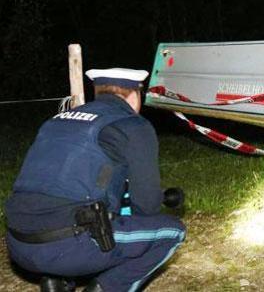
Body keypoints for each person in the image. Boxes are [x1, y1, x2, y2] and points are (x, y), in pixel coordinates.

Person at [4, 68, 186, 292]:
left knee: (78, 213)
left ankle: (57, 282)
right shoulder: (132, 125)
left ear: (97, 92)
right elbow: (146, 205)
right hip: (67, 246)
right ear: (134, 95)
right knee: (173, 231)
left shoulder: (55, 121)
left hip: (19, 242)